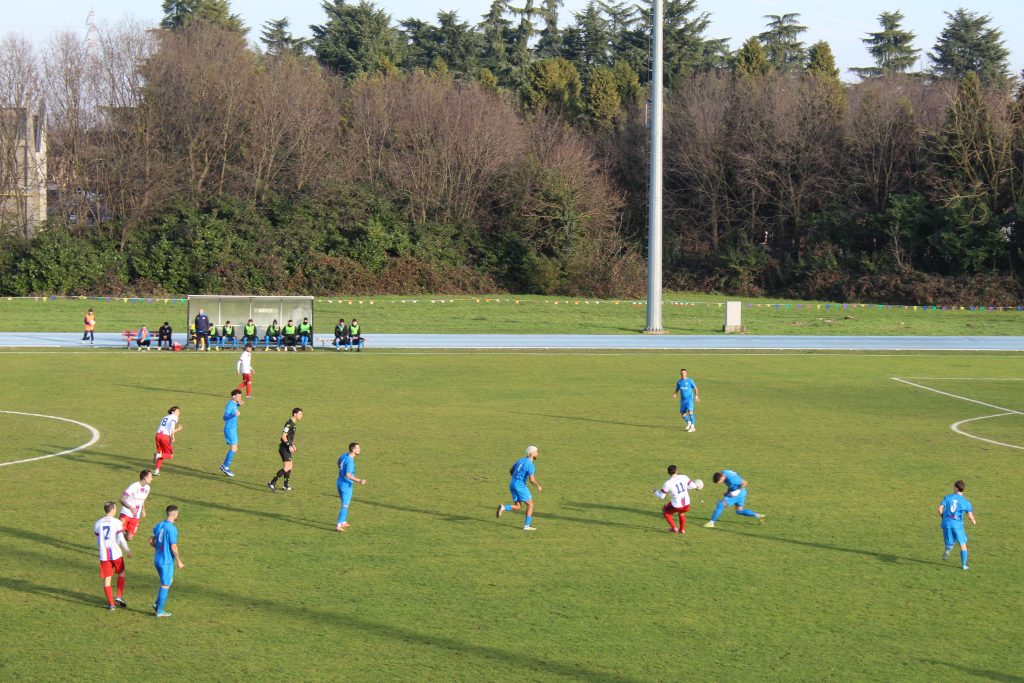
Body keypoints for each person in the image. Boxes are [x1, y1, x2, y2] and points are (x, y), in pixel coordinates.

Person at [94, 501, 131, 610]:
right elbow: (121, 538)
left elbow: (97, 541)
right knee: (121, 573)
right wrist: (127, 550)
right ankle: (119, 596)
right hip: (116, 554)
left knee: (107, 579)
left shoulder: (97, 523)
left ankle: (111, 605)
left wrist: (101, 549)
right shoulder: (117, 522)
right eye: (115, 508)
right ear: (112, 509)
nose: (116, 510)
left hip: (104, 555)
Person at [149, 505, 184, 618]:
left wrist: (160, 546)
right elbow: (173, 546)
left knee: (169, 580)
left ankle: (157, 604)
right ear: (174, 514)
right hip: (166, 561)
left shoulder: (159, 525)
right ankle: (160, 611)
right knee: (165, 584)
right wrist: (179, 561)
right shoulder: (172, 529)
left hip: (157, 560)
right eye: (177, 513)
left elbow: (150, 541)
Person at [496, 446, 542, 531]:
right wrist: (538, 486)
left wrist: (516, 478)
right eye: (536, 452)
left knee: (518, 506)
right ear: (531, 453)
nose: (537, 454)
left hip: (512, 483)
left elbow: (511, 470)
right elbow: (531, 480)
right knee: (530, 504)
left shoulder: (521, 460)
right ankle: (527, 526)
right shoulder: (530, 465)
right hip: (520, 485)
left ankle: (503, 507)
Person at [939, 480, 977, 570]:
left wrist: (943, 518)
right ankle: (964, 565)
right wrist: (974, 521)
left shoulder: (947, 497)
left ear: (956, 488)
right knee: (963, 545)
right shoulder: (966, 502)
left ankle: (948, 550)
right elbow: (970, 516)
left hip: (946, 524)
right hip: (957, 526)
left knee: (949, 544)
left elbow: (939, 509)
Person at [653, 465, 700, 533]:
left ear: (668, 472)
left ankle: (674, 528)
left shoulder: (667, 483)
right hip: (687, 503)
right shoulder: (684, 477)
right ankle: (682, 529)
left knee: (665, 511)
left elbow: (662, 497)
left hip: (677, 505)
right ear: (676, 471)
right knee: (681, 513)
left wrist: (656, 492)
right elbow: (693, 486)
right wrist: (697, 486)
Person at [268, 408, 303, 492]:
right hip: (284, 448)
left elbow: (289, 438)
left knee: (290, 466)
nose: (301, 416)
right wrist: (289, 446)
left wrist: (292, 445)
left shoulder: (293, 424)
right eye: (300, 414)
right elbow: (283, 436)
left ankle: (285, 485)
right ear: (295, 414)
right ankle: (272, 482)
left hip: (287, 447)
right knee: (287, 467)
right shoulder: (289, 424)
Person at [336, 442, 366, 531]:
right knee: (345, 505)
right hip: (346, 486)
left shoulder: (344, 455)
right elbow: (348, 475)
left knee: (344, 503)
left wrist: (341, 471)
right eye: (358, 448)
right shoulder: (350, 462)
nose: (359, 449)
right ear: (353, 450)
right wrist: (360, 481)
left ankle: (344, 521)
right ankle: (338, 525)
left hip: (339, 482)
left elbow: (338, 462)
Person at [119, 470, 153, 540]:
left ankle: (119, 539)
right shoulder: (134, 486)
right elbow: (121, 499)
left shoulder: (148, 488)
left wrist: (143, 510)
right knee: (120, 529)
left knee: (129, 537)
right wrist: (130, 508)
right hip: (126, 512)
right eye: (150, 477)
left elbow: (142, 499)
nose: (152, 479)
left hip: (136, 515)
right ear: (145, 478)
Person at [219, 389, 244, 477]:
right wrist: (235, 415)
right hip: (229, 429)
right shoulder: (229, 404)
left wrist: (238, 404)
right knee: (234, 448)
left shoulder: (234, 403)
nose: (240, 398)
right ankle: (225, 466)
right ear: (233, 396)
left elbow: (234, 408)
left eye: (240, 396)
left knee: (235, 448)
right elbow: (225, 417)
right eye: (238, 396)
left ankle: (225, 466)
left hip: (233, 429)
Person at [153, 406, 183, 476]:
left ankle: (156, 471)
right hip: (164, 437)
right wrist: (176, 431)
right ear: (173, 412)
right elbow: (171, 428)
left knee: (162, 453)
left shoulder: (166, 417)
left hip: (158, 435)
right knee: (170, 455)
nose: (179, 413)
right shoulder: (174, 417)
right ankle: (157, 455)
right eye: (177, 411)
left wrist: (173, 435)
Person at [672, 368, 699, 432]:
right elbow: (677, 389)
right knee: (682, 413)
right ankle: (689, 422)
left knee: (690, 412)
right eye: (681, 373)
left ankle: (692, 427)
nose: (683, 374)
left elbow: (695, 388)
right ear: (680, 374)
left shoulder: (690, 381)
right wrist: (675, 394)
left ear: (686, 373)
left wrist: (696, 396)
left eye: (684, 373)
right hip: (682, 401)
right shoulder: (679, 382)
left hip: (689, 400)